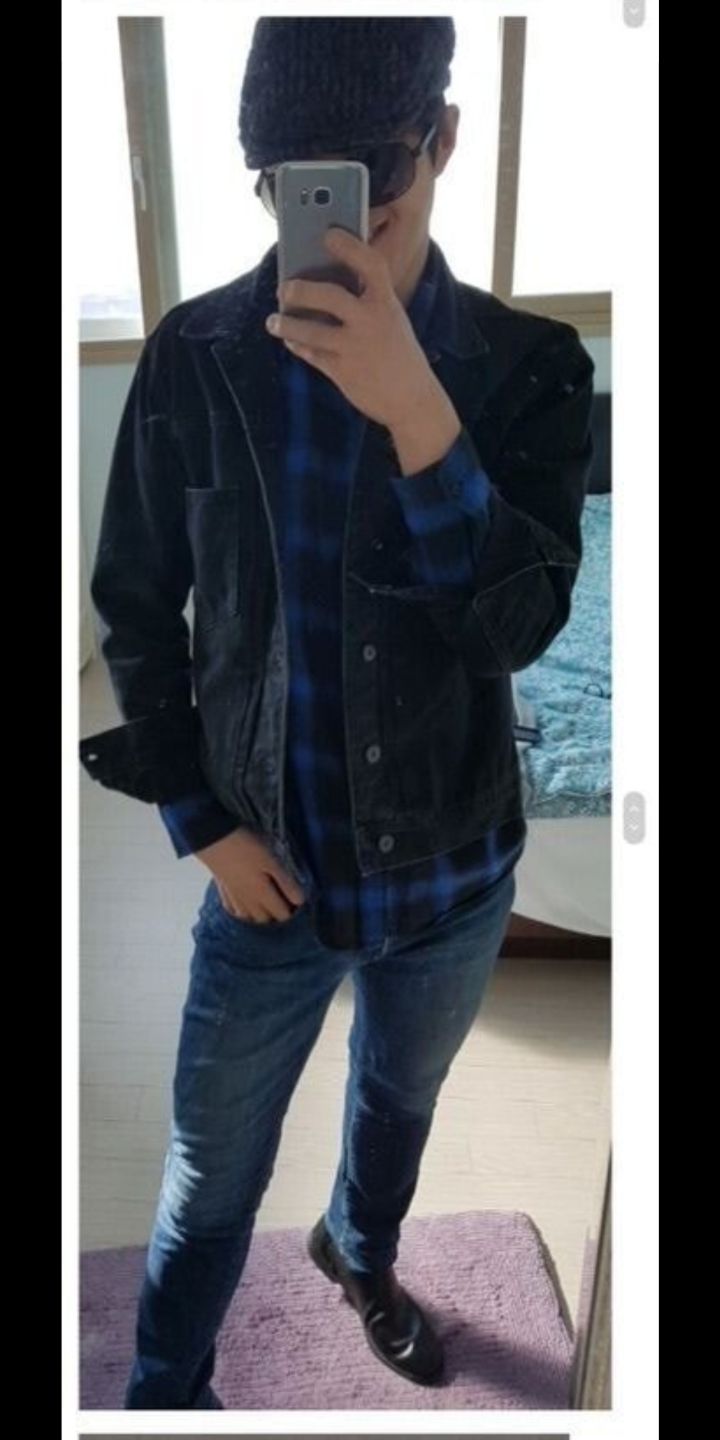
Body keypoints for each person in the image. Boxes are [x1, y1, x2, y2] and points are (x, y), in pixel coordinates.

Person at [80, 16, 595, 1410]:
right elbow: (135, 606)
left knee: (395, 1105)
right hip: (271, 874)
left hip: (454, 874)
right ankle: (167, 1395)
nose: (345, 224)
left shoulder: (533, 367)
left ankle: (359, 1253)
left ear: (444, 141)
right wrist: (199, 823)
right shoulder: (197, 353)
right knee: (208, 1172)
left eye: (380, 179)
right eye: (300, 186)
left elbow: (520, 630)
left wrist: (419, 413)